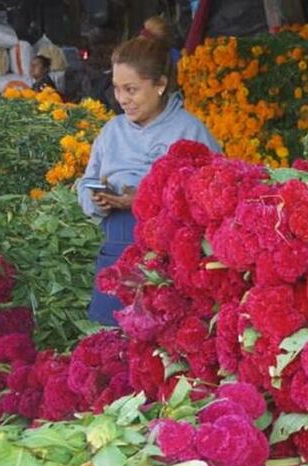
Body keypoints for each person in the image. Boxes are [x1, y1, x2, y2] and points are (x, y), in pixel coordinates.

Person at [78, 35, 219, 325]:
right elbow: (86, 182)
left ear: (160, 85)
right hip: (117, 246)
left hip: (171, 258)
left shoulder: (190, 131)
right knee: (111, 343)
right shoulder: (111, 131)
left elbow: (213, 197)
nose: (122, 99)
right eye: (117, 88)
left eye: (131, 89)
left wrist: (144, 200)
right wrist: (96, 199)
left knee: (161, 343)